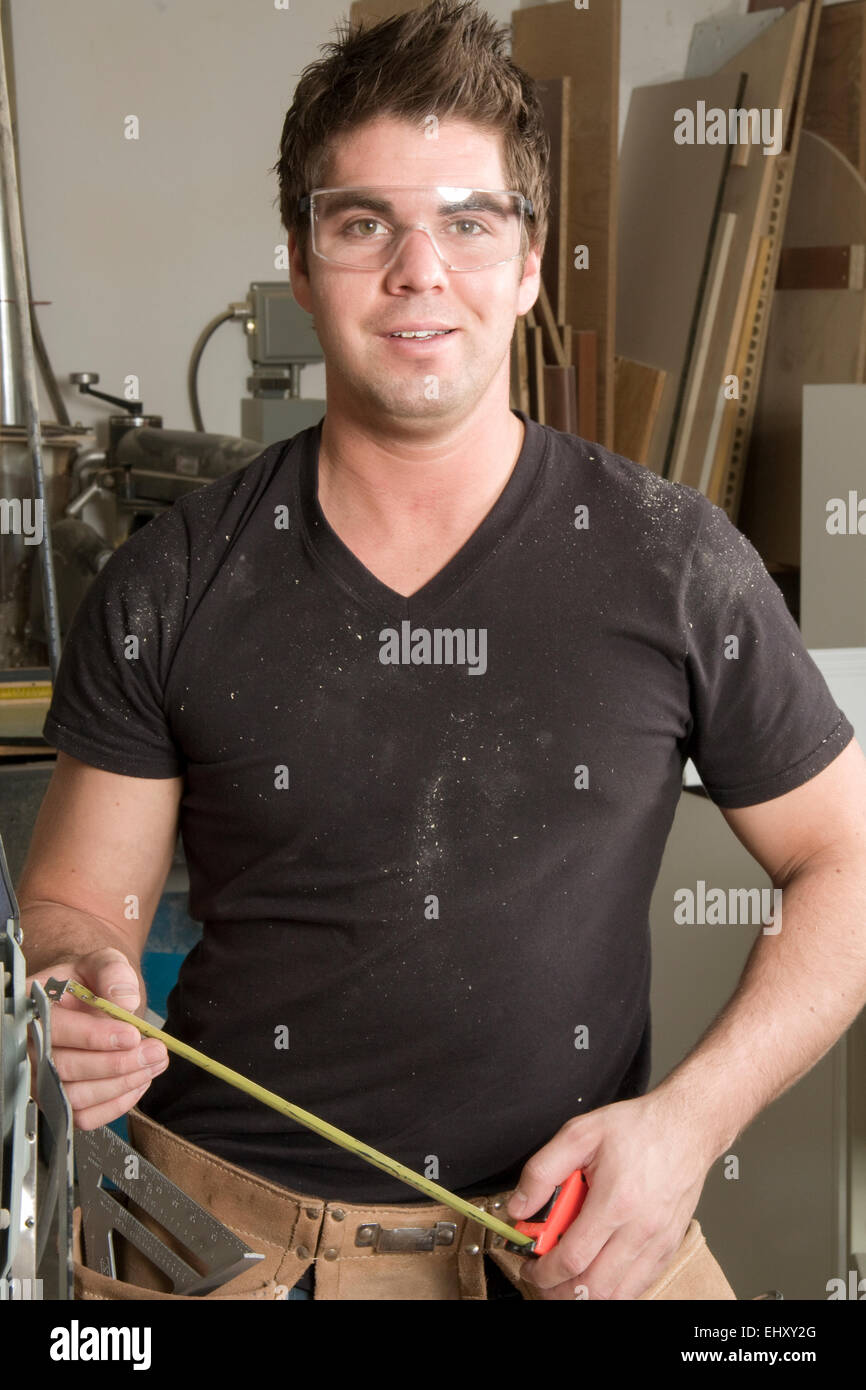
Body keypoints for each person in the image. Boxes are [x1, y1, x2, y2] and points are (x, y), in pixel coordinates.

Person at [20, 0, 866, 1302]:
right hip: (224, 1236)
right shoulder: (170, 576)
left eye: (468, 221)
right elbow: (79, 908)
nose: (420, 270)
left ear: (528, 262)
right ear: (302, 263)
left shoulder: (672, 561)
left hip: (575, 1234)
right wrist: (76, 975)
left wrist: (688, 1126)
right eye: (365, 222)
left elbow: (847, 862)